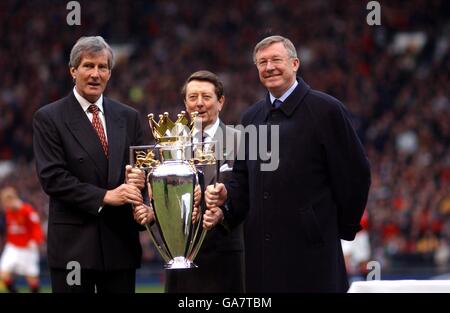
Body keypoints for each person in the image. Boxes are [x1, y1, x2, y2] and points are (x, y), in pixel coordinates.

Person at [204, 35, 371, 292]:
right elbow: (243, 180)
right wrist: (227, 202)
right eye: (262, 62)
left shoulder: (326, 110)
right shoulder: (252, 117)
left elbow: (355, 174)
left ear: (295, 64)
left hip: (312, 255)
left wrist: (334, 227)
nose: (269, 67)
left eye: (276, 60)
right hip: (262, 257)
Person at [33, 36, 147, 293]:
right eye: (88, 66)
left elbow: (144, 171)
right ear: (73, 70)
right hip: (73, 248)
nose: (96, 74)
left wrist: (144, 203)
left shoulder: (128, 117)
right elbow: (53, 178)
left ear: (109, 72)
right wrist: (105, 196)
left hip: (120, 246)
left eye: (102, 67)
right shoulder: (49, 117)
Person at [134, 70, 245, 293]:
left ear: (220, 102)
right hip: (178, 255)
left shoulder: (241, 140)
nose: (199, 104)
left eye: (206, 97)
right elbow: (155, 197)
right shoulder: (168, 145)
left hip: (224, 255)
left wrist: (222, 210)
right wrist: (148, 212)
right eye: (193, 98)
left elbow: (246, 194)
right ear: (185, 103)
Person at [0, 187, 44, 293]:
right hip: (13, 247)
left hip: (27, 248)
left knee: (32, 280)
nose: (5, 206)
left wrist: (35, 240)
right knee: (3, 273)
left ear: (12, 199)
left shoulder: (27, 210)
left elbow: (36, 226)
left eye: (6, 202)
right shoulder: (8, 212)